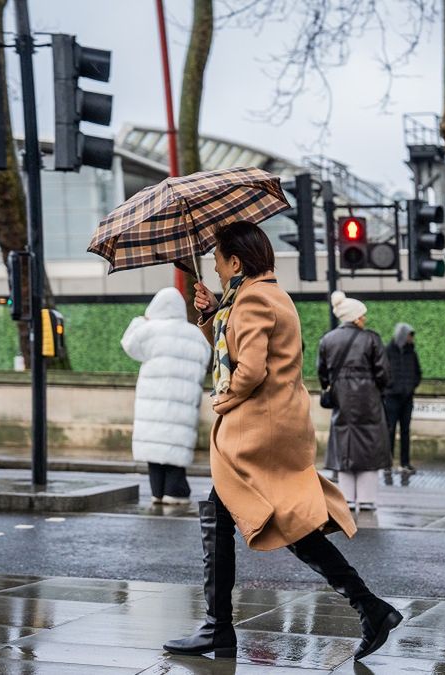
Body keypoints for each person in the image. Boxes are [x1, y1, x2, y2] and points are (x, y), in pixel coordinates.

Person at [164, 221, 401, 661]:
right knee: (283, 524)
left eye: (218, 262)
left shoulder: (252, 299)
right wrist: (212, 313)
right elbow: (232, 348)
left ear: (236, 262)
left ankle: (219, 628)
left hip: (257, 430)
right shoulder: (266, 294)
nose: (215, 269)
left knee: (225, 513)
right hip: (278, 425)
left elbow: (248, 370)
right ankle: (370, 607)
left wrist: (224, 399)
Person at [120, 287, 211, 505]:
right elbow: (205, 361)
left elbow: (129, 344)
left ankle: (158, 493)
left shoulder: (151, 330)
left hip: (152, 407)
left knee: (155, 453)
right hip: (184, 406)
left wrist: (142, 319)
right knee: (175, 452)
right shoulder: (196, 335)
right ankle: (174, 492)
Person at [319, 291, 392, 511]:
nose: (365, 319)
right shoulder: (371, 338)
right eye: (363, 315)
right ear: (356, 317)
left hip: (341, 399)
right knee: (370, 445)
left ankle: (347, 497)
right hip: (368, 399)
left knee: (344, 443)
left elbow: (322, 374)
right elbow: (383, 373)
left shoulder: (327, 340)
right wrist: (376, 389)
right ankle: (368, 499)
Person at [383, 322, 422, 473]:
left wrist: (412, 386)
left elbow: (417, 372)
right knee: (390, 430)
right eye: (409, 335)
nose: (411, 339)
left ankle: (405, 463)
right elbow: (383, 372)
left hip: (407, 398)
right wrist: (390, 387)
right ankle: (388, 463)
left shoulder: (412, 352)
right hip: (392, 398)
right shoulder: (388, 351)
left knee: (405, 431)